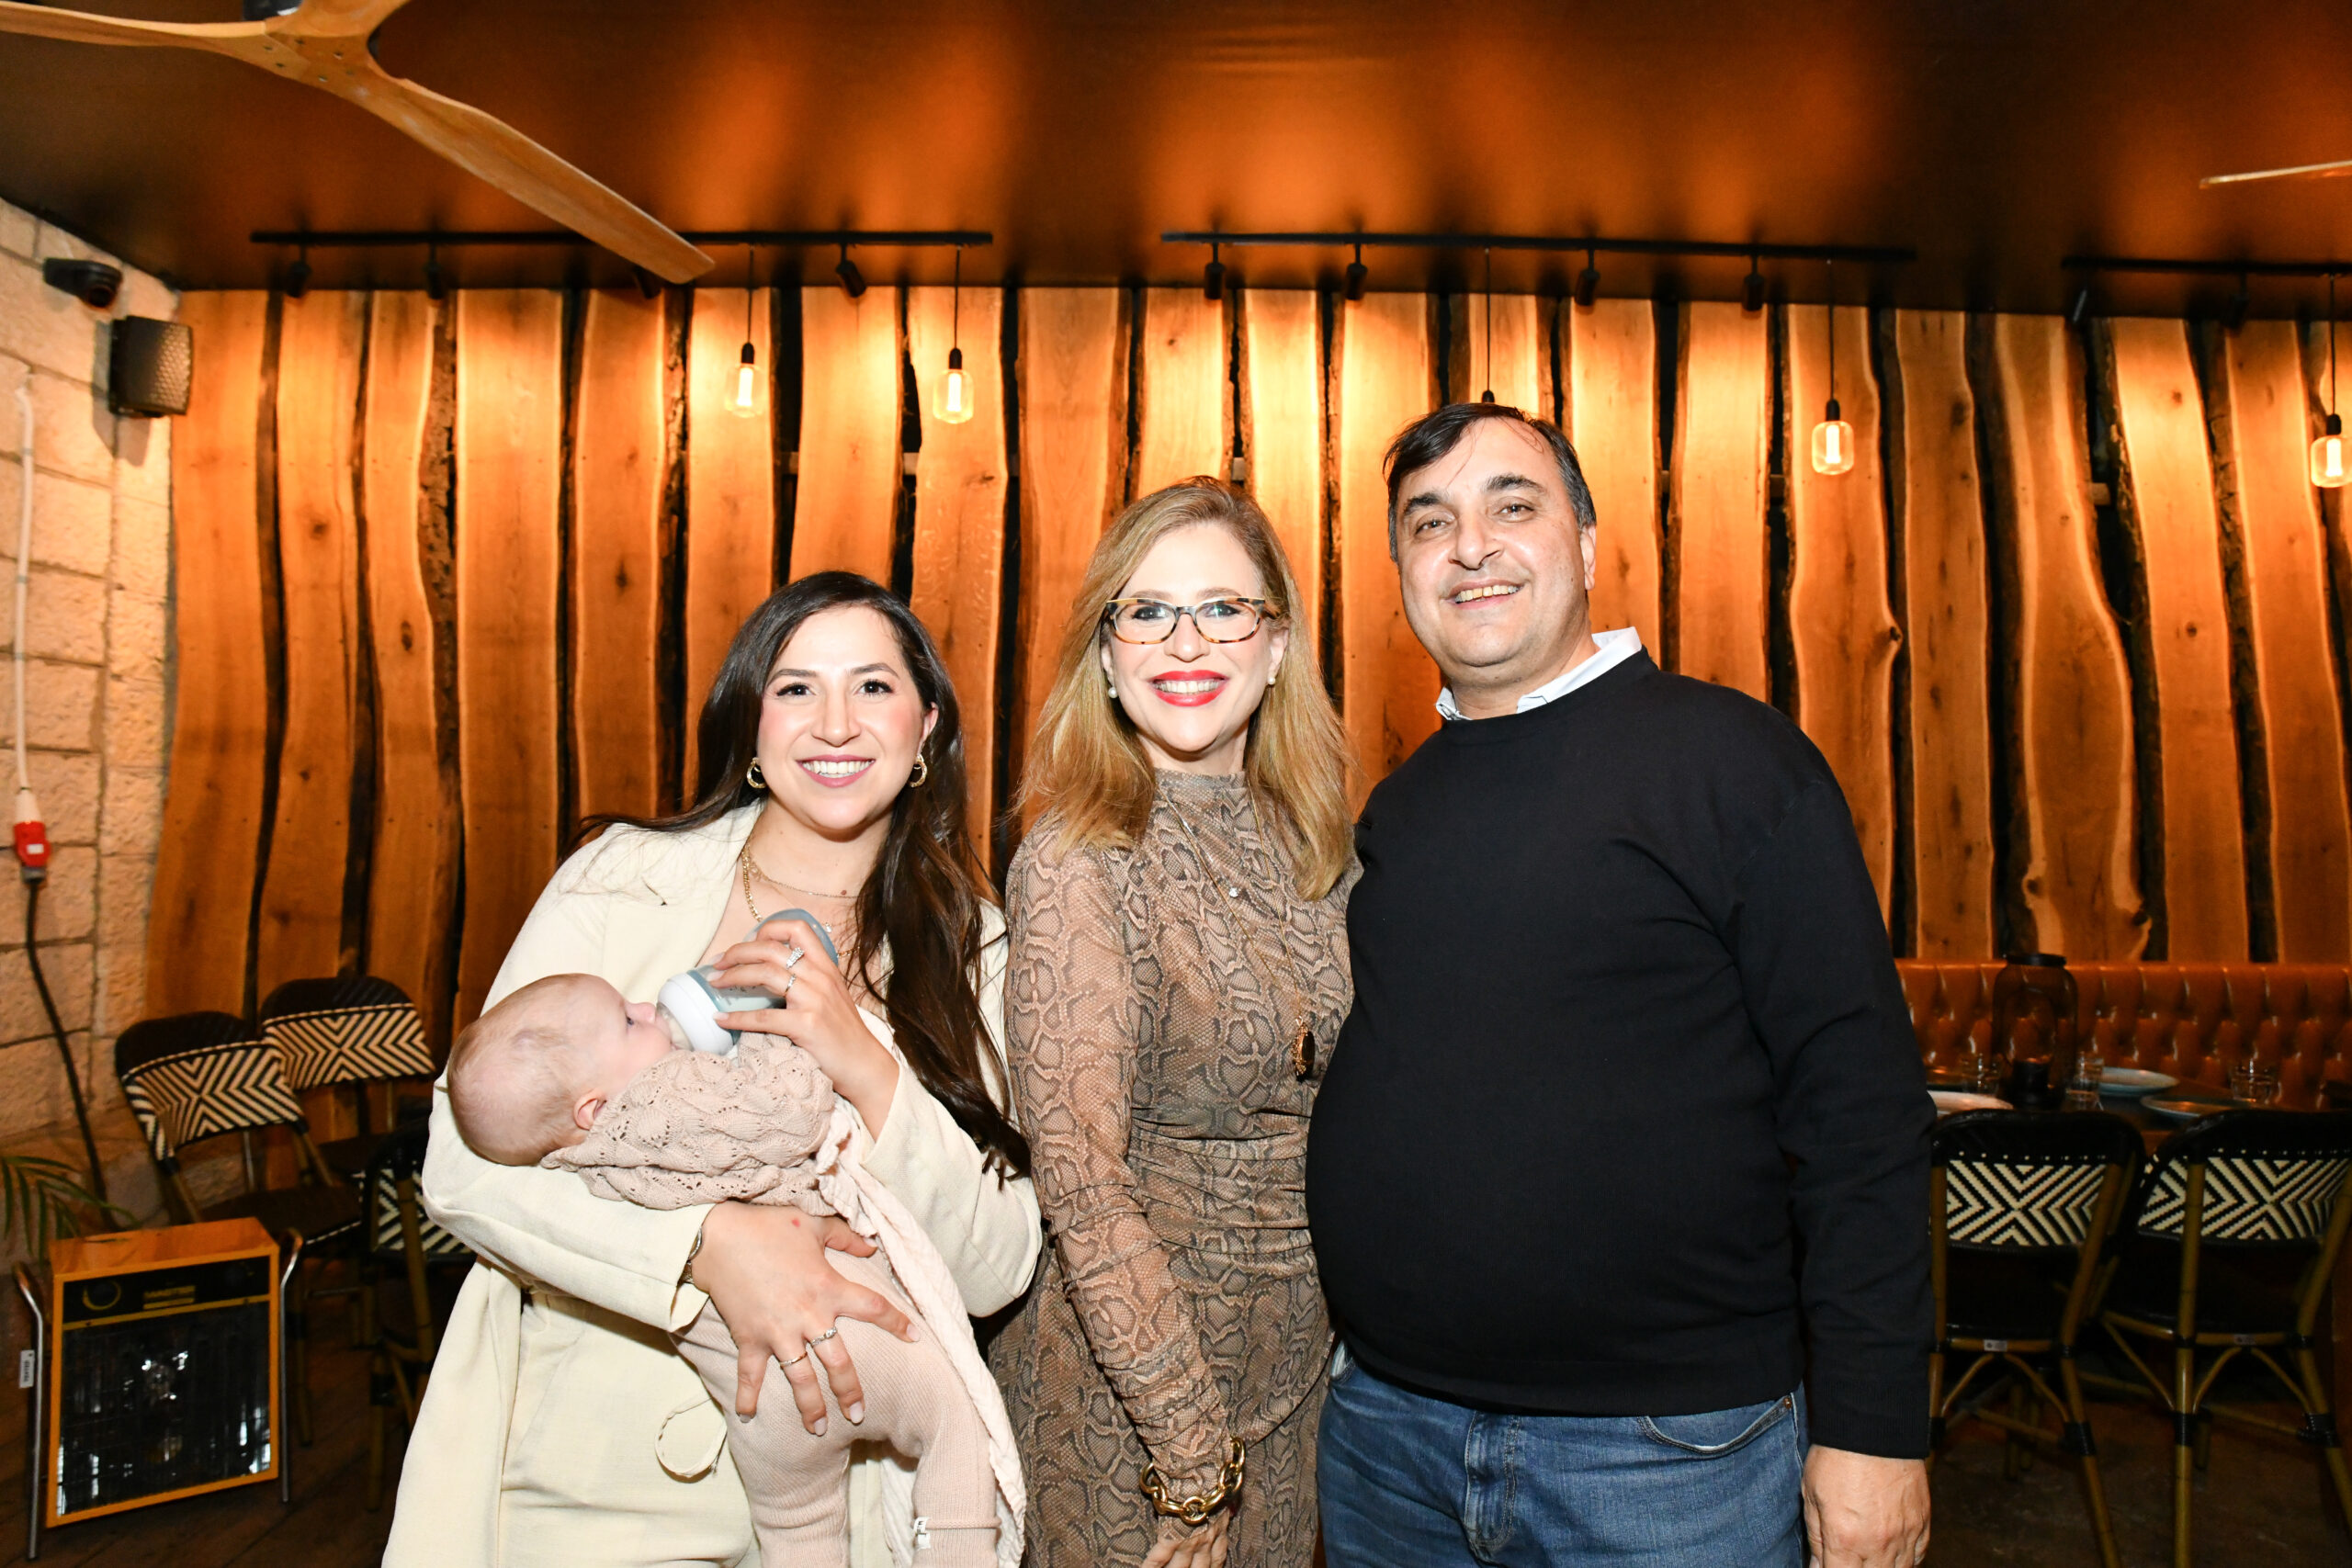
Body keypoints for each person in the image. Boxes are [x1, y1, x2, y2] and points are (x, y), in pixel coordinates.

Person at [1305, 403, 1934, 1568]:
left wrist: (1874, 1428)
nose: (1471, 546)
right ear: (1401, 574)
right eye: (1429, 523)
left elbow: (1861, 1113)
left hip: (1664, 1456)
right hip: (1390, 1434)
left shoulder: (1733, 763)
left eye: (1512, 506)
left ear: (1587, 546)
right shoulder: (1402, 807)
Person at [387, 571, 1042, 1568]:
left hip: (848, 1499)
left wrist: (865, 1066)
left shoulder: (976, 951)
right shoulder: (624, 878)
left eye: (872, 687)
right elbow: (463, 1159)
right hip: (593, 1475)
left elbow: (999, 1265)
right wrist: (705, 1246)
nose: (834, 723)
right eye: (795, 688)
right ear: (751, 726)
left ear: (926, 729)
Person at [990, 480, 1356, 1568]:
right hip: (1132, 1399)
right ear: (1105, 657)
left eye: (1221, 609)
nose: (1183, 642)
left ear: (1276, 644)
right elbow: (1082, 1179)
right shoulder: (1075, 858)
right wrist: (1191, 1462)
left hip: (1299, 1376)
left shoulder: (1321, 848)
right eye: (1146, 612)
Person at [446, 972, 1020, 1568]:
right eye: (628, 1020)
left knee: (798, 1523)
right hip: (850, 1343)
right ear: (595, 1107)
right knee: (954, 1421)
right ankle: (951, 1549)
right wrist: (768, 1022)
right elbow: (788, 1114)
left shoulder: (577, 1161)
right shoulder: (661, 1096)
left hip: (756, 1400)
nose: (645, 1005)